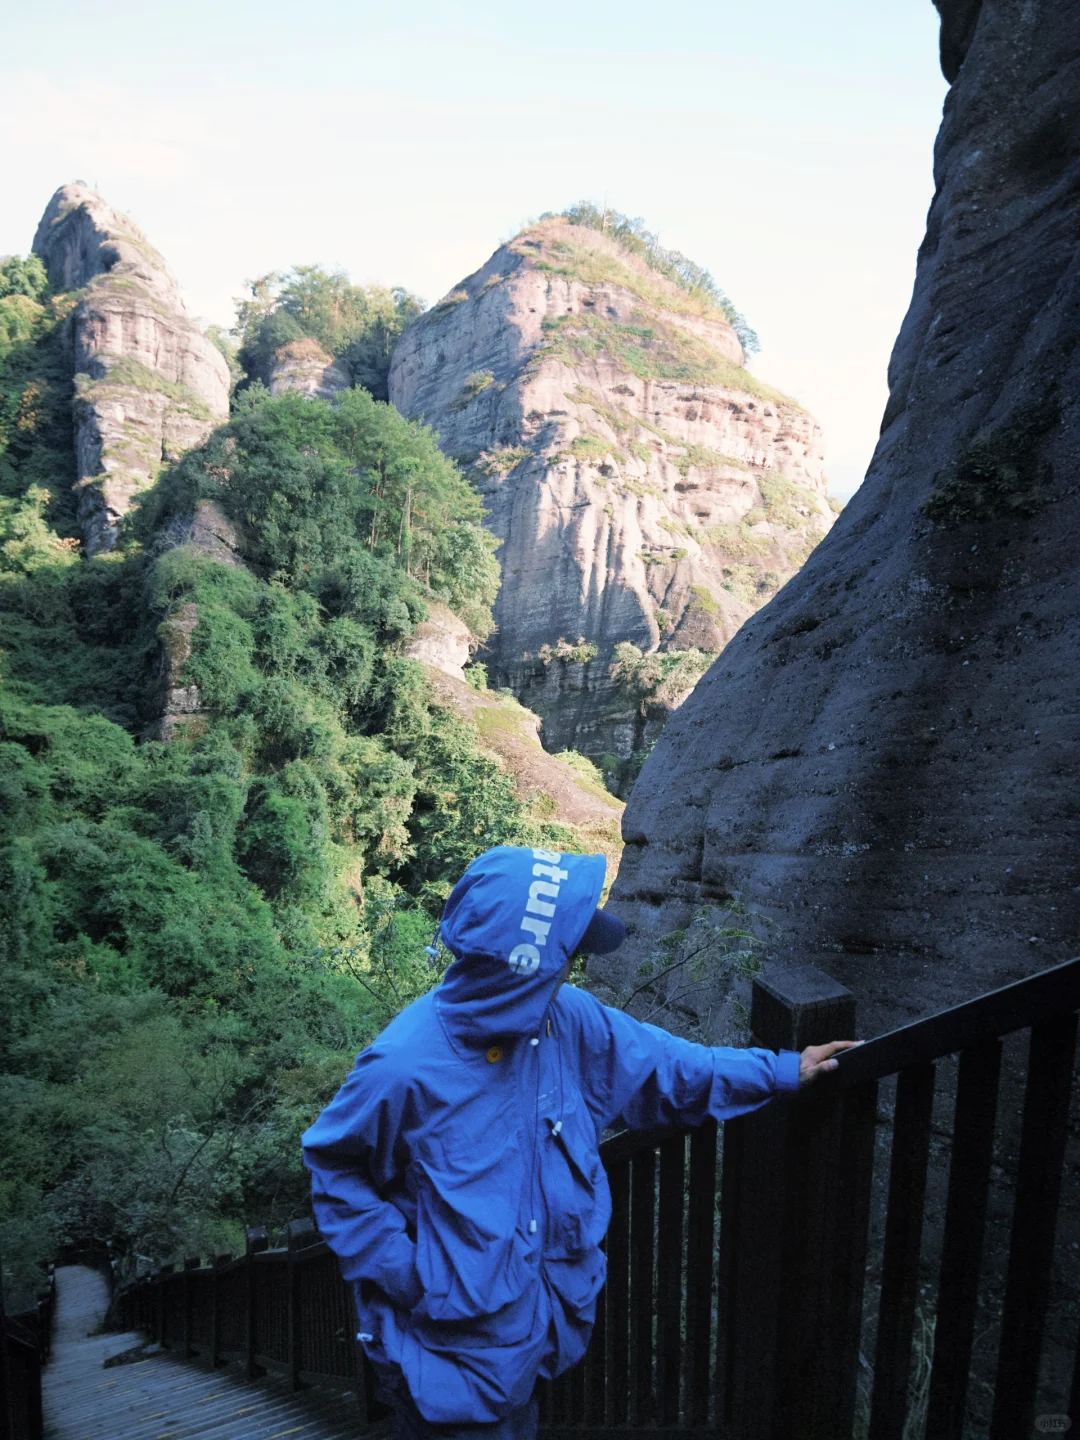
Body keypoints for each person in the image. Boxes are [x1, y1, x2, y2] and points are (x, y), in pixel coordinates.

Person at [301, 845, 859, 1440]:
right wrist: (411, 1274)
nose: (575, 966)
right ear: (522, 970)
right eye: (565, 954)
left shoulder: (566, 1020)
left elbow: (670, 1067)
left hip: (539, 1327)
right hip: (449, 1358)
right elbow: (335, 1168)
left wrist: (779, 1071)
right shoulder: (403, 1067)